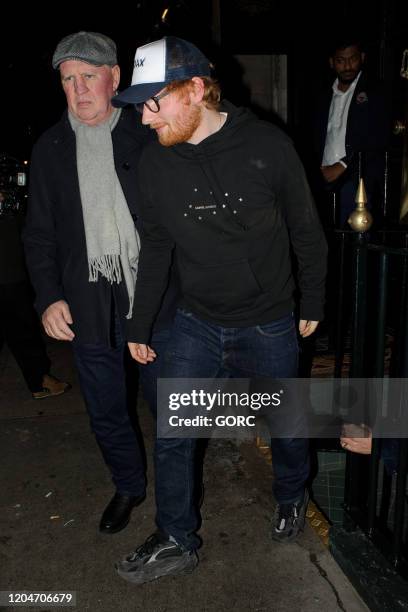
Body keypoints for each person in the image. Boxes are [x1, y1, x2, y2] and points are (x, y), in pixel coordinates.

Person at [112, 36, 328, 584]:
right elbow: (156, 246)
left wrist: (315, 298)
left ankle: (289, 495)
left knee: (287, 424)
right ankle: (176, 537)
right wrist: (139, 322)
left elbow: (307, 230)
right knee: (174, 430)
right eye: (139, 105)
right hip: (197, 320)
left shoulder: (268, 147)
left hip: (269, 318)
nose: (144, 118)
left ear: (197, 90)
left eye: (153, 101)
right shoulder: (153, 165)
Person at [23, 32, 177, 535]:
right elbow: (39, 232)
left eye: (89, 76)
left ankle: (177, 493)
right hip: (88, 297)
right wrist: (48, 296)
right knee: (106, 409)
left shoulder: (148, 131)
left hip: (153, 296)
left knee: (171, 405)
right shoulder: (49, 148)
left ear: (114, 78)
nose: (79, 89)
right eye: (69, 79)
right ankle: (129, 485)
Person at [0, 173, 70, 400]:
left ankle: (39, 379)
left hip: (12, 268)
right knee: (21, 328)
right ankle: (39, 380)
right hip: (8, 274)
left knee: (21, 328)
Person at [312, 35, 389, 227]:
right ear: (332, 62)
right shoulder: (322, 94)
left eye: (352, 58)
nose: (347, 66)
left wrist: (343, 165)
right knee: (326, 237)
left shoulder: (376, 91)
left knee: (357, 240)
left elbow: (379, 136)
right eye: (341, 60)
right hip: (324, 178)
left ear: (362, 57)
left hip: (358, 178)